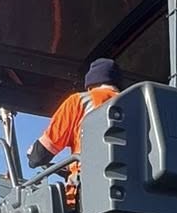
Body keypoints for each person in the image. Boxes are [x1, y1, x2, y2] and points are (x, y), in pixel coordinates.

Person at [26, 57, 121, 188]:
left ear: (90, 84)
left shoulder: (79, 101)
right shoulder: (139, 107)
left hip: (88, 191)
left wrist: (32, 153)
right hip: (138, 194)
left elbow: (39, 156)